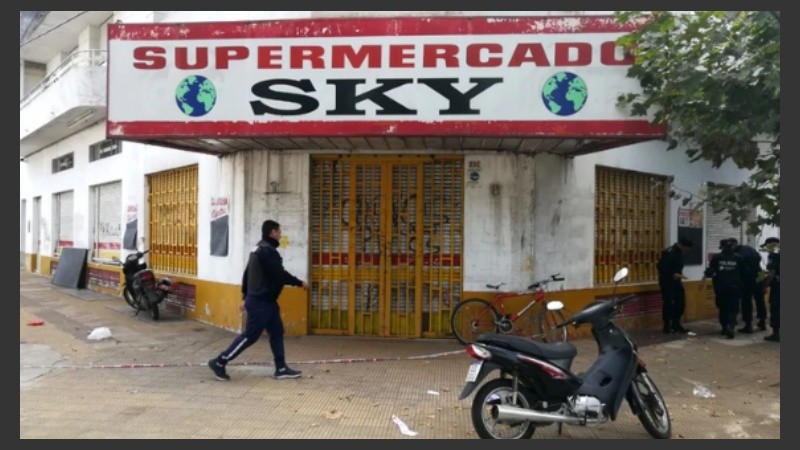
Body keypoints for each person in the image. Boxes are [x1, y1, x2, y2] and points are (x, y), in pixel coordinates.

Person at [208, 220, 309, 380]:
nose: (281, 235)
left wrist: (244, 296)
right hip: (260, 301)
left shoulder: (258, 250)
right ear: (273, 233)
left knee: (276, 332)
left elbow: (247, 274)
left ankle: (281, 368)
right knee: (250, 335)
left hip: (266, 301)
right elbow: (279, 274)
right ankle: (220, 361)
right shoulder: (267, 252)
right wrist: (299, 283)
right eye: (279, 232)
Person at [699, 238, 745, 339]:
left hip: (721, 287)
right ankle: (731, 327)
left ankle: (724, 328)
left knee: (723, 308)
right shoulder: (739, 258)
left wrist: (702, 282)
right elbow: (744, 273)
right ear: (732, 247)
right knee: (733, 308)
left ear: (721, 247)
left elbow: (710, 271)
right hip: (735, 287)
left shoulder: (717, 257)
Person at [657, 235, 693, 334]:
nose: (687, 251)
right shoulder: (670, 252)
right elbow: (660, 267)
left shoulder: (680, 252)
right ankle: (667, 326)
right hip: (667, 282)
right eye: (686, 248)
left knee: (680, 303)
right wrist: (672, 274)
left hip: (677, 281)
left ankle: (676, 324)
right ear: (682, 245)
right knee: (668, 303)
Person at [729, 238, 765, 333]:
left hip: (747, 280)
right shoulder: (750, 248)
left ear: (733, 246)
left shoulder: (738, 254)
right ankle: (762, 322)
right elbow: (759, 259)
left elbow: (739, 269)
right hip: (759, 276)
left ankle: (748, 325)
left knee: (746, 302)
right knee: (760, 300)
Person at [763, 237, 780, 343]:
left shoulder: (773, 255)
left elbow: (771, 273)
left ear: (773, 244)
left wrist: (764, 285)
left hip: (778, 286)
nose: (767, 248)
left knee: (775, 309)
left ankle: (776, 333)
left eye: (768, 246)